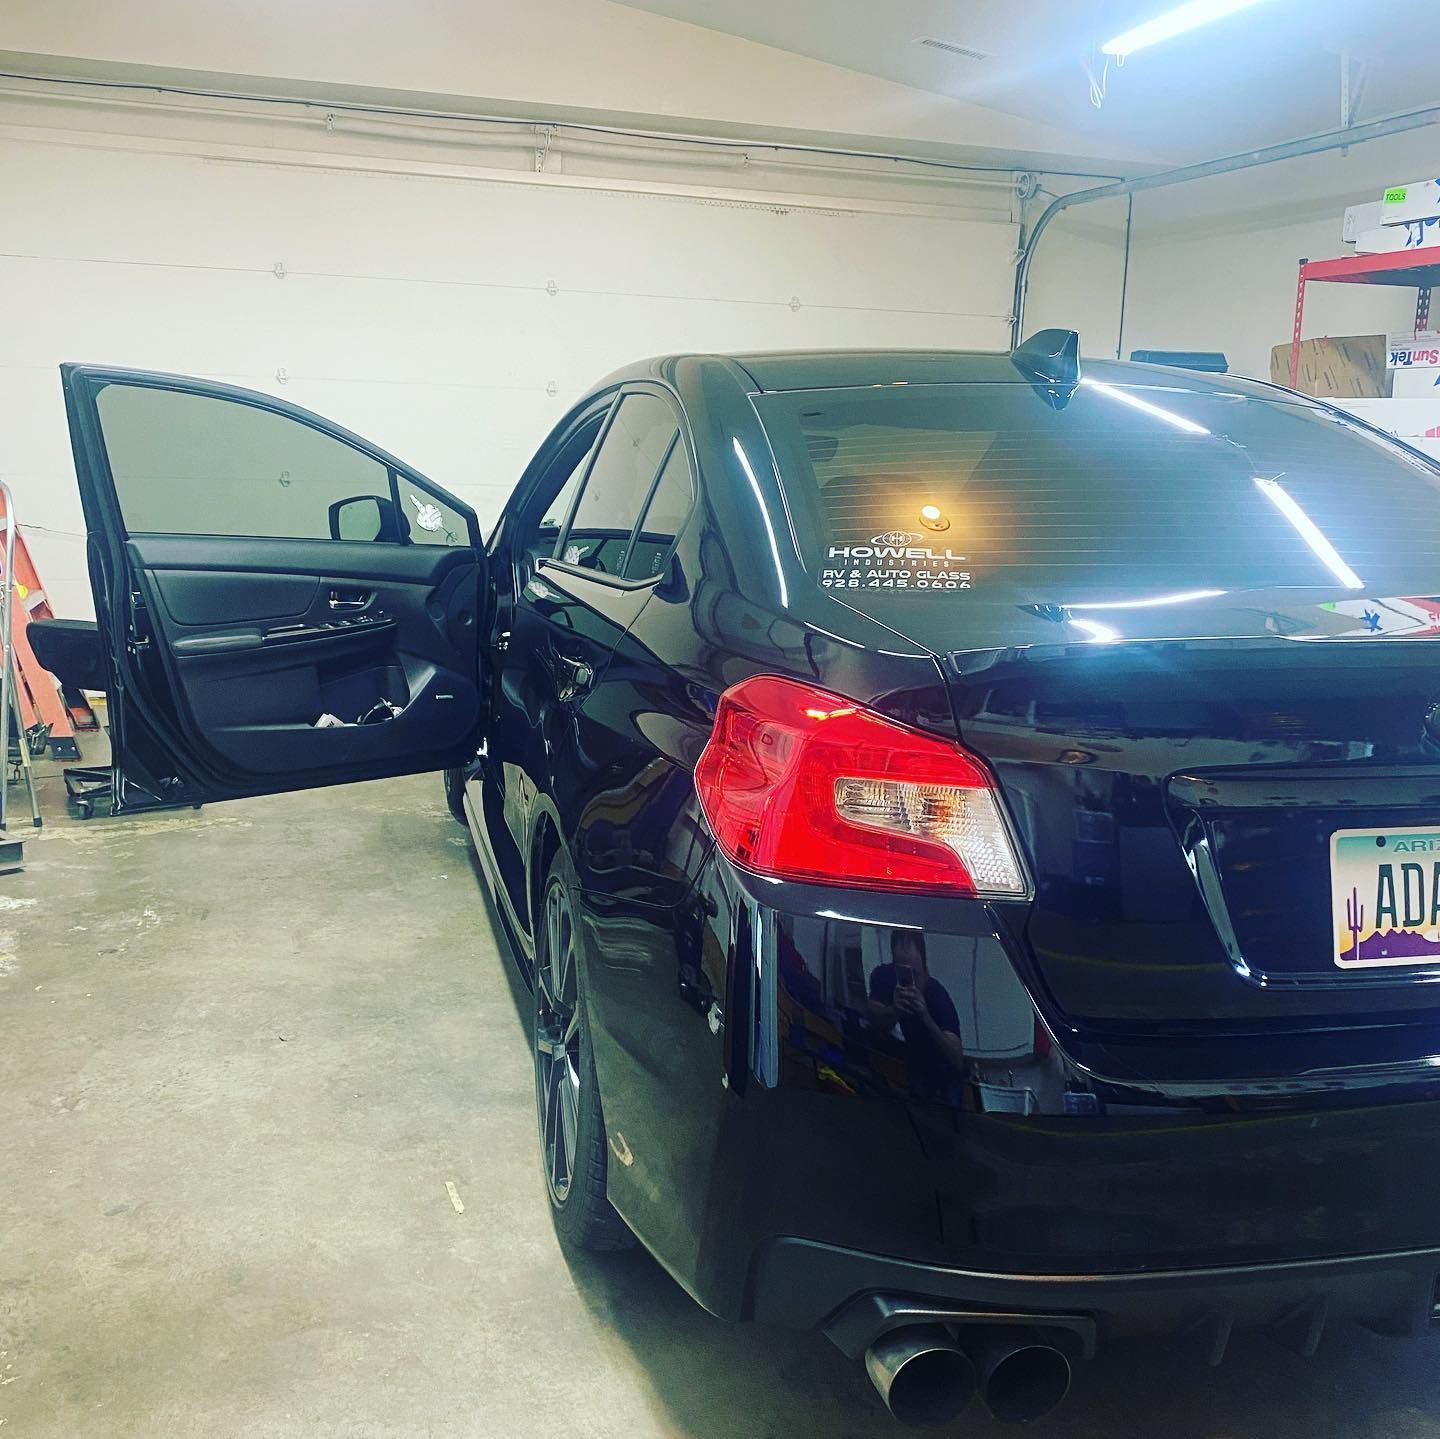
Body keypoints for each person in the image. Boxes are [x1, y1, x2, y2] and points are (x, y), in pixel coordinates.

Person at [867, 930, 966, 1102]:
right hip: (914, 1062)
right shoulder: (885, 977)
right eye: (903, 973)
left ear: (925, 969)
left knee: (951, 1107)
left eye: (915, 974)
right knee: (918, 1102)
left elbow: (956, 1058)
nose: (910, 983)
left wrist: (925, 1016)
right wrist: (894, 1010)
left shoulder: (937, 995)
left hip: (945, 1070)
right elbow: (872, 1017)